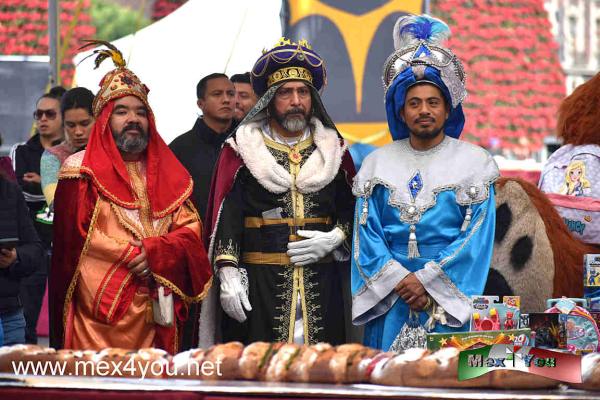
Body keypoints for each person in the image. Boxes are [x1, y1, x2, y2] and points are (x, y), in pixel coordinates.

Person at [49, 41, 212, 353]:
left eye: (140, 112)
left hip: (158, 302)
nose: (133, 119)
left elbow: (190, 229)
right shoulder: (79, 169)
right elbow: (77, 239)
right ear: (105, 120)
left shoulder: (169, 172)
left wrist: (156, 254)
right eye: (121, 111)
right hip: (99, 311)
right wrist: (132, 257)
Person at [351, 15, 499, 351]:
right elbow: (366, 235)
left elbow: (475, 238)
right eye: (414, 103)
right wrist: (401, 280)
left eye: (433, 102)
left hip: (449, 303)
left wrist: (427, 282)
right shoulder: (377, 164)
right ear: (401, 112)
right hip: (392, 298)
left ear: (448, 110)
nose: (424, 111)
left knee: (447, 380)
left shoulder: (475, 164)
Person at [199, 38, 356, 347]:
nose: (296, 100)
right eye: (285, 92)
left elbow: (352, 208)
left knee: (323, 373)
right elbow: (227, 216)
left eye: (303, 92)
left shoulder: (335, 151)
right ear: (270, 99)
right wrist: (228, 271)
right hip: (260, 285)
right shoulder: (241, 151)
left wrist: (336, 237)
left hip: (321, 286)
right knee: (261, 370)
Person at [12, 85, 65, 344]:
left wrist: (40, 182)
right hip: (32, 246)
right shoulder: (20, 152)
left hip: (66, 246)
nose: (42, 119)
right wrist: (52, 187)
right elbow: (19, 194)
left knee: (66, 320)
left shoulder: (72, 153)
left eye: (50, 114)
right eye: (38, 114)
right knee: (26, 319)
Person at [170, 73, 236, 220]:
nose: (226, 100)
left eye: (231, 94)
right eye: (217, 94)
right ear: (201, 103)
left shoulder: (248, 143)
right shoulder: (180, 149)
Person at [0, 169, 44, 345]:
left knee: (12, 372)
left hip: (9, 318)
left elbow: (35, 249)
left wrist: (15, 257)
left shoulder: (10, 191)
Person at [41, 87, 95, 207]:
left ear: (97, 119)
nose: (78, 132)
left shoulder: (112, 152)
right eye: (71, 125)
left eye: (85, 124)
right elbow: (55, 204)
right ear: (63, 123)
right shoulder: (51, 156)